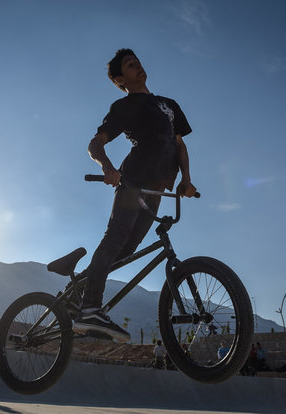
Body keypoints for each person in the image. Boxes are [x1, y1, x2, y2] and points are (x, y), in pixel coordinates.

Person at [72, 48, 197, 342]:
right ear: (120, 79)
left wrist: (187, 180)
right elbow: (95, 144)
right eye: (130, 65)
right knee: (115, 239)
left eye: (138, 61)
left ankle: (75, 295)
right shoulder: (125, 106)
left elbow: (179, 145)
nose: (138, 65)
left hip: (156, 189)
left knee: (126, 251)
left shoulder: (169, 104)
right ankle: (89, 307)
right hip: (133, 182)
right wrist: (108, 167)